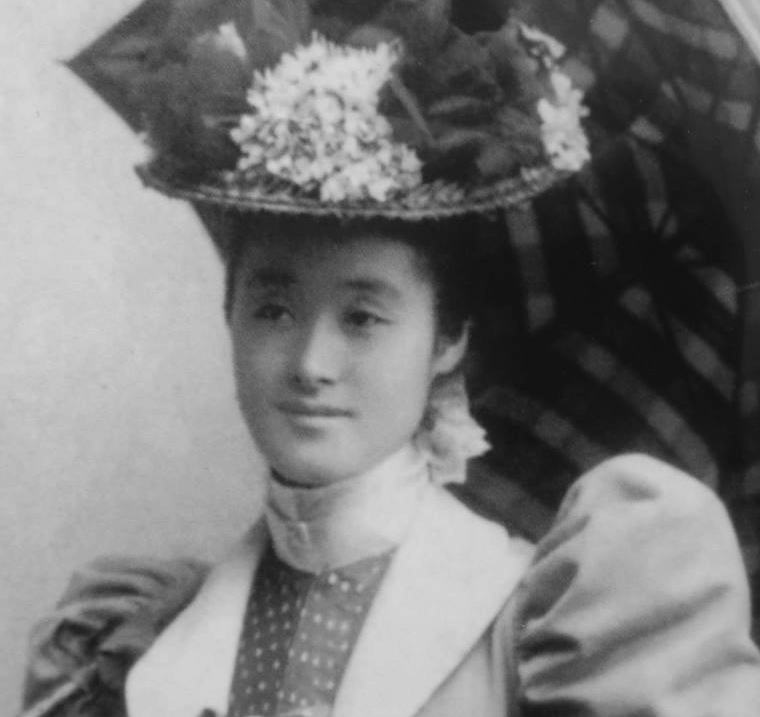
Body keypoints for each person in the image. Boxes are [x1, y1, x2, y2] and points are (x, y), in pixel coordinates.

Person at [19, 1, 760, 716]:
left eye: (363, 317)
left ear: (448, 338)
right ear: (229, 312)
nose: (311, 363)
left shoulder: (539, 621)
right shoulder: (140, 643)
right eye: (273, 309)